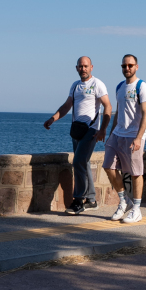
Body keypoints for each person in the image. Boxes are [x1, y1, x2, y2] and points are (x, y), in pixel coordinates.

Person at [44, 56, 111, 215]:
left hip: (91, 130)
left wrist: (103, 129)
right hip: (76, 130)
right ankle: (92, 200)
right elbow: (67, 105)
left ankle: (79, 199)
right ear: (77, 68)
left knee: (78, 161)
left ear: (91, 67)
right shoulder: (75, 86)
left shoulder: (97, 84)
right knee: (84, 163)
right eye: (80, 66)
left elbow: (107, 106)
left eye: (86, 66)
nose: (83, 69)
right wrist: (53, 118)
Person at [103, 54, 146, 223]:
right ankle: (124, 201)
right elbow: (118, 112)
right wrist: (110, 134)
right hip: (117, 134)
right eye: (124, 66)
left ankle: (137, 209)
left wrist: (138, 138)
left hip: (133, 136)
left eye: (130, 65)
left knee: (136, 173)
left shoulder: (142, 86)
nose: (127, 68)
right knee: (108, 166)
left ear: (136, 66)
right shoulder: (119, 87)